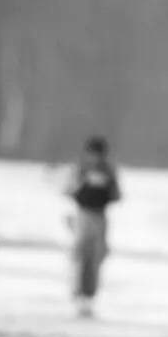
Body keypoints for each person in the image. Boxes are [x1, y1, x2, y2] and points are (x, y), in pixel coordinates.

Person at [63, 135, 120, 318]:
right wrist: (84, 183)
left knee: (96, 257)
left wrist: (105, 187)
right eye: (93, 154)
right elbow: (68, 190)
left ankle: (89, 296)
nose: (96, 158)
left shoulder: (108, 171)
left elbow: (117, 195)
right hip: (83, 215)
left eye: (99, 154)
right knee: (80, 255)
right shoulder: (80, 168)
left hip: (100, 217)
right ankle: (77, 293)